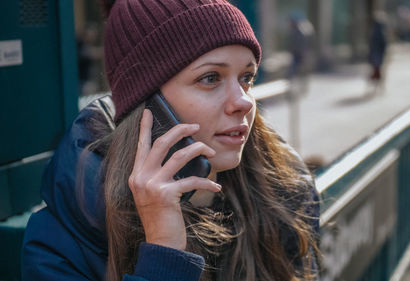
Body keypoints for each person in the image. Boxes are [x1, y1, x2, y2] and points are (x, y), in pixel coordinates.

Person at [21, 0, 320, 281]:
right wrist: (164, 254)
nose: (243, 101)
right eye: (211, 78)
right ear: (150, 108)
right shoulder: (63, 240)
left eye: (247, 78)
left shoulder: (285, 193)